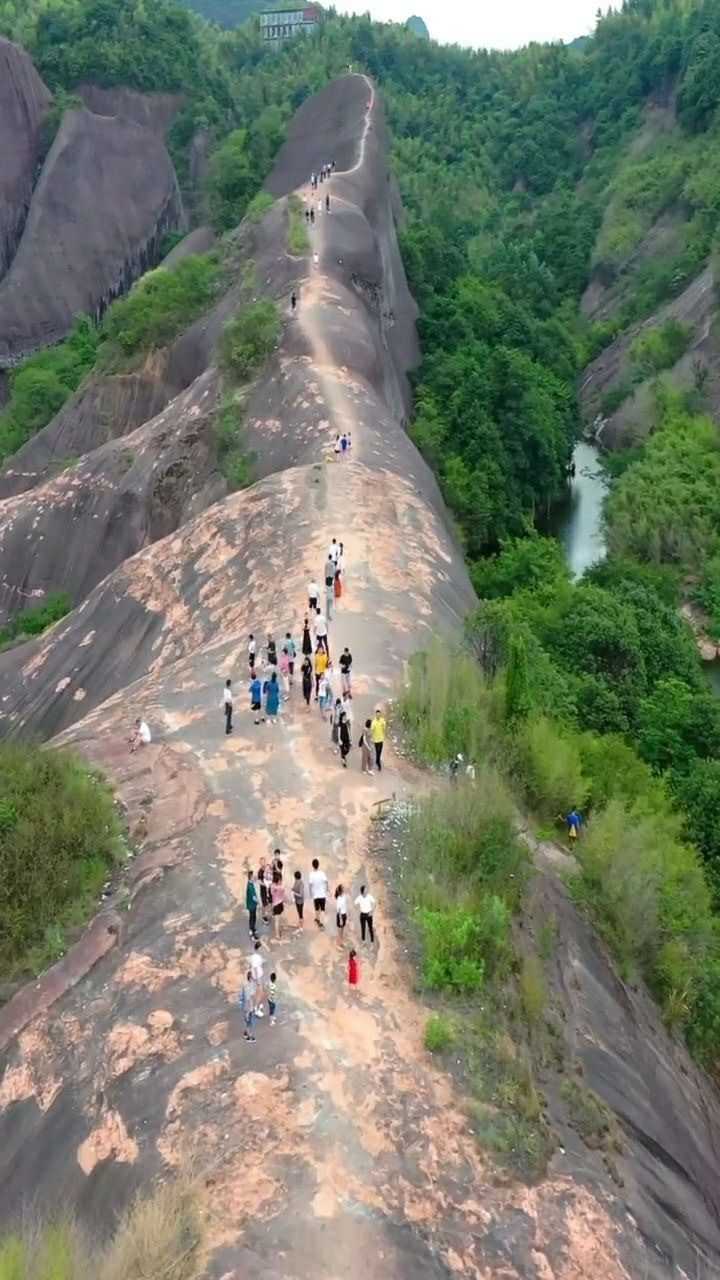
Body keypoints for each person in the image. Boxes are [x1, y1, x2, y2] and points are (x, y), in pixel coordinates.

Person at [309, 857, 329, 928]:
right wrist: (327, 889)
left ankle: (317, 920)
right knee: (322, 909)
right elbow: (326, 882)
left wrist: (310, 893)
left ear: (312, 865)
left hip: (316, 895)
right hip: (322, 894)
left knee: (317, 909)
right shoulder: (322, 873)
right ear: (318, 865)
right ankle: (321, 922)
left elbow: (310, 885)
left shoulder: (311, 874)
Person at [239, 970, 257, 1042]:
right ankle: (249, 1037)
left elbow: (242, 996)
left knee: (248, 1021)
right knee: (249, 1022)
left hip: (248, 1005)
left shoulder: (247, 984)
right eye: (252, 977)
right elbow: (248, 997)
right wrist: (250, 1008)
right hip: (248, 1005)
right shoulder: (248, 986)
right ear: (250, 978)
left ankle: (246, 1033)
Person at [249, 941, 265, 1017]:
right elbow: (255, 968)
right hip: (258, 977)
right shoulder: (257, 957)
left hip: (256, 976)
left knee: (259, 992)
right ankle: (256, 1009)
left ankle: (259, 1005)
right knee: (260, 993)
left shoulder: (253, 956)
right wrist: (258, 980)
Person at [271, 871, 285, 940]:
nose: (281, 881)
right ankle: (277, 935)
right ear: (278, 880)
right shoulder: (281, 887)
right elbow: (283, 894)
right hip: (279, 904)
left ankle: (277, 933)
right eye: (280, 880)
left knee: (277, 920)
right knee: (277, 920)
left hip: (275, 904)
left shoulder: (272, 886)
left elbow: (272, 893)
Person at [371, 708, 386, 772]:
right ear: (375, 715)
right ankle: (378, 762)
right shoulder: (373, 722)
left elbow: (384, 728)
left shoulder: (382, 720)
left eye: (379, 715)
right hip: (376, 739)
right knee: (377, 751)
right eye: (377, 715)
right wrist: (371, 738)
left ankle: (377, 760)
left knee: (380, 751)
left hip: (381, 738)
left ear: (380, 715)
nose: (378, 716)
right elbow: (372, 730)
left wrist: (383, 725)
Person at [246, 870, 259, 940]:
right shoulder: (250, 886)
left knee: (254, 916)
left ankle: (253, 928)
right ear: (251, 877)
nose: (255, 877)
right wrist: (259, 902)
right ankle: (252, 931)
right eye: (253, 876)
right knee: (252, 917)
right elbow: (254, 897)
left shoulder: (251, 883)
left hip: (253, 904)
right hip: (251, 905)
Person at [258, 858, 270, 923]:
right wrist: (266, 885)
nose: (263, 863)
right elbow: (259, 882)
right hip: (263, 891)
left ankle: (268, 913)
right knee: (264, 904)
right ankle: (264, 917)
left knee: (269, 903)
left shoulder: (268, 868)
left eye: (264, 862)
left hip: (269, 890)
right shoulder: (260, 872)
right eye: (261, 862)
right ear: (260, 863)